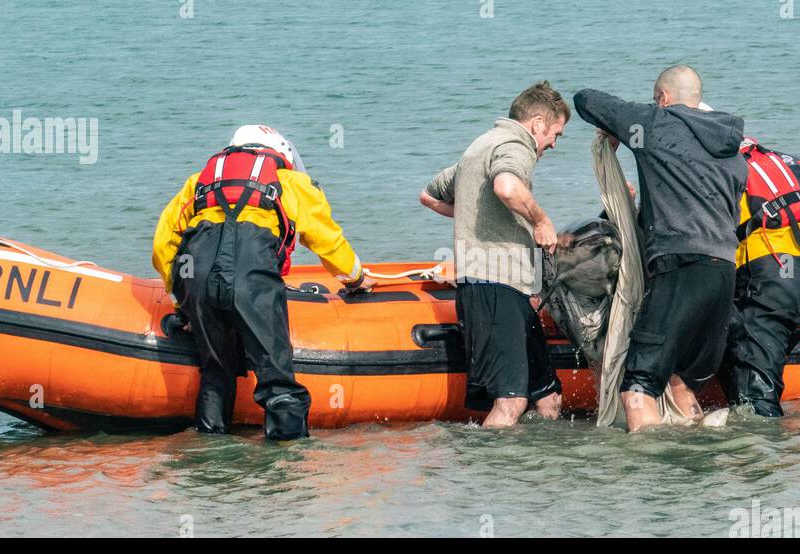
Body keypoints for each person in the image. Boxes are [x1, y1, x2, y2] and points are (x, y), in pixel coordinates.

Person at [152, 125, 374, 440]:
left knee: (215, 374)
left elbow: (162, 246)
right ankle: (285, 466)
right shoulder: (292, 183)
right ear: (279, 152)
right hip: (252, 279)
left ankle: (209, 458)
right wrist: (355, 277)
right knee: (277, 382)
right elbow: (326, 239)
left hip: (197, 279)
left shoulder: (198, 183)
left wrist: (183, 304)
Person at [573, 65, 748, 432]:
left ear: (663, 98)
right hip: (722, 273)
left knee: (637, 388)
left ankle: (651, 475)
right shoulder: (732, 151)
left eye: (658, 100)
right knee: (680, 380)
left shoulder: (655, 123)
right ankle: (693, 457)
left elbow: (586, 100)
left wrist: (621, 130)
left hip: (681, 267)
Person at [419, 81, 568, 428]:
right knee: (511, 402)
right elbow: (506, 187)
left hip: (505, 287)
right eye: (555, 133)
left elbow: (428, 195)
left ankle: (533, 476)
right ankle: (488, 478)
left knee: (548, 397)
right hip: (494, 285)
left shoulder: (479, 146)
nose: (554, 143)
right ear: (536, 124)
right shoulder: (516, 146)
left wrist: (477, 214)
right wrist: (541, 221)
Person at [717, 138, 800, 420]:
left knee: (756, 399)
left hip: (767, 277)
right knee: (745, 371)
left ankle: (764, 457)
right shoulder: (761, 157)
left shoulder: (711, 163)